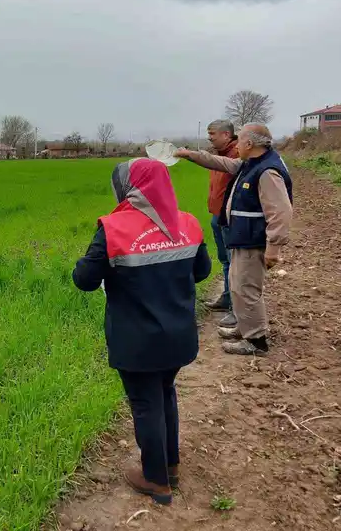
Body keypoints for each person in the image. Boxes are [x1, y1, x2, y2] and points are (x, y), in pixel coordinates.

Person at [72, 158, 211, 505]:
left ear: (129, 188)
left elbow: (84, 280)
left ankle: (155, 480)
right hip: (178, 335)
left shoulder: (114, 228)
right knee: (165, 393)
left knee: (146, 403)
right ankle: (171, 465)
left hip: (137, 339)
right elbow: (203, 271)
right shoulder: (188, 223)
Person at [176, 123, 293, 356]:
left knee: (246, 288)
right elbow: (222, 163)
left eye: (239, 141)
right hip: (243, 237)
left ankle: (256, 340)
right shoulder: (252, 163)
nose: (236, 145)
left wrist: (273, 248)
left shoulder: (267, 172)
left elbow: (281, 212)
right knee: (238, 286)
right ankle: (245, 326)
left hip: (254, 240)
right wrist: (190, 155)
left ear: (250, 144)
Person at [202, 120, 239, 331]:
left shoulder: (236, 155)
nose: (210, 137)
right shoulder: (219, 153)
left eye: (212, 134)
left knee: (236, 264)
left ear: (226, 134)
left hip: (230, 218)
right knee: (225, 260)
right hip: (217, 215)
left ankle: (237, 308)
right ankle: (226, 298)